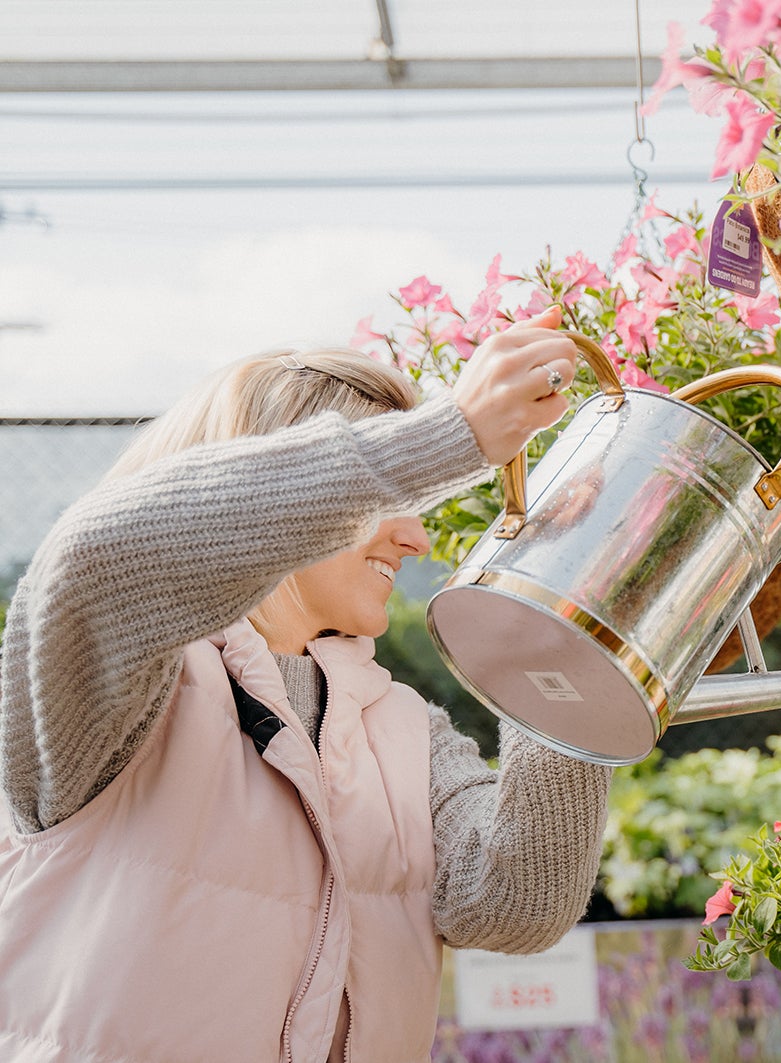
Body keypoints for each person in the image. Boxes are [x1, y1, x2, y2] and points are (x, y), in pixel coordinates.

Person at [0, 306, 613, 1062]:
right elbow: (98, 557)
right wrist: (450, 435)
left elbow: (515, 904)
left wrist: (563, 611)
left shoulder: (403, 726)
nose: (417, 537)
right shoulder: (114, 686)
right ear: (278, 501)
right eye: (394, 503)